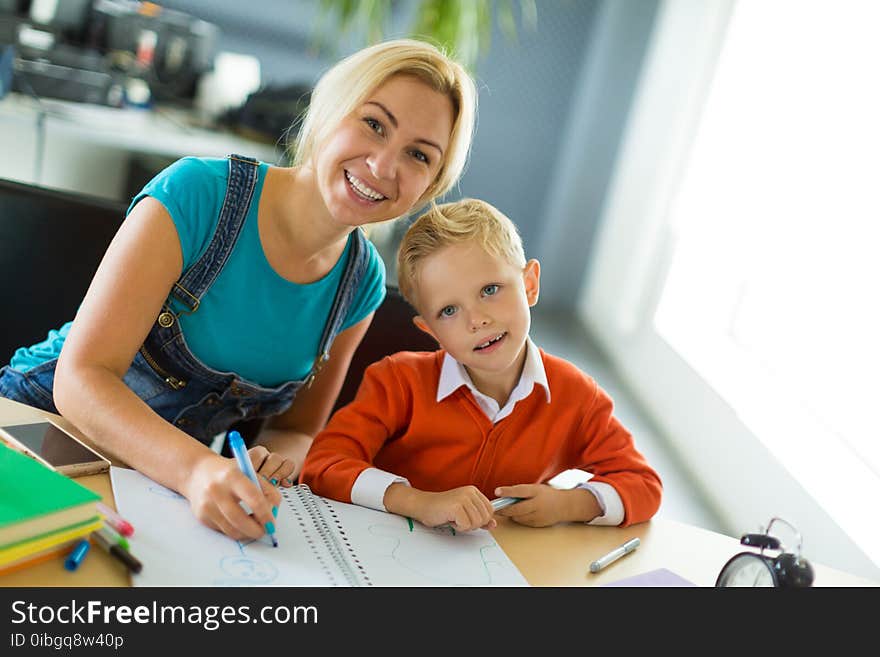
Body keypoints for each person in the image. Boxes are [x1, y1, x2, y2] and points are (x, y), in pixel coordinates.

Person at [0, 39, 477, 542]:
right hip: (40, 430)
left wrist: (273, 464)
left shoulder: (360, 283)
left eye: (418, 155)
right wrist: (196, 470)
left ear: (429, 186)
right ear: (329, 112)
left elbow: (297, 430)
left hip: (157, 486)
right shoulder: (197, 193)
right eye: (374, 124)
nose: (383, 165)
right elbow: (79, 380)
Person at [300, 198, 662, 532]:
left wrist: (570, 503)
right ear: (431, 331)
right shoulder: (397, 381)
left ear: (530, 284)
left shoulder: (576, 396)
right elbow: (323, 465)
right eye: (449, 311)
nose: (476, 320)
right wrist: (418, 502)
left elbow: (643, 484)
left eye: (490, 289)